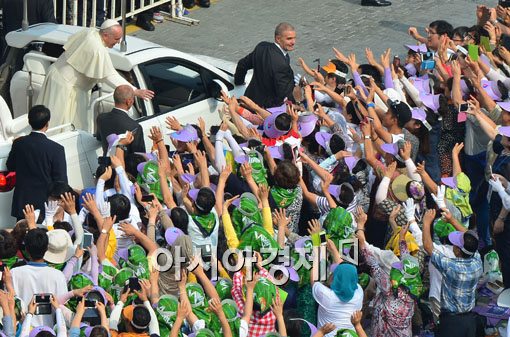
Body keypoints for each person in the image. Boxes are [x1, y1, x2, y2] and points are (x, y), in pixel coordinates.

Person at [36, 19, 154, 132]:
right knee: (61, 124)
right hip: (66, 89)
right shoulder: (97, 49)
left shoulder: (90, 32)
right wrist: (135, 91)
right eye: (117, 39)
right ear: (106, 35)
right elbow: (109, 76)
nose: (118, 42)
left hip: (57, 78)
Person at [423, 215, 483, 337]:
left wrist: (426, 223)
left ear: (458, 251)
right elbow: (471, 240)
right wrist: (452, 219)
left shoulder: (451, 266)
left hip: (451, 323)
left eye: (456, 245)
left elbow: (428, 247)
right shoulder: (477, 262)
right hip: (469, 321)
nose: (454, 246)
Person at [6, 105, 67, 220]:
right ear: (47, 124)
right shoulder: (56, 149)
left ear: (29, 122)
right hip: (46, 206)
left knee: (21, 236)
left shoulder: (18, 144)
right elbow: (61, 180)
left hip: (23, 203)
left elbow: (10, 166)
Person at [11, 228, 68, 327]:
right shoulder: (58, 275)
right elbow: (62, 306)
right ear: (46, 249)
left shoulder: (14, 273)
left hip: (23, 331)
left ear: (26, 249)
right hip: (49, 332)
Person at [234, 22, 296, 108]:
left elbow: (242, 64)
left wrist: (238, 82)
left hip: (248, 101)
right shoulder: (282, 65)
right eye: (289, 39)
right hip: (265, 110)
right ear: (278, 39)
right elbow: (283, 93)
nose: (293, 42)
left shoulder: (261, 47)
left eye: (294, 38)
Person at [96, 85, 146, 155]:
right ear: (129, 102)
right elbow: (139, 157)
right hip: (123, 165)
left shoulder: (101, 118)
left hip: (107, 164)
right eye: (133, 99)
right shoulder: (135, 127)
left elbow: (99, 138)